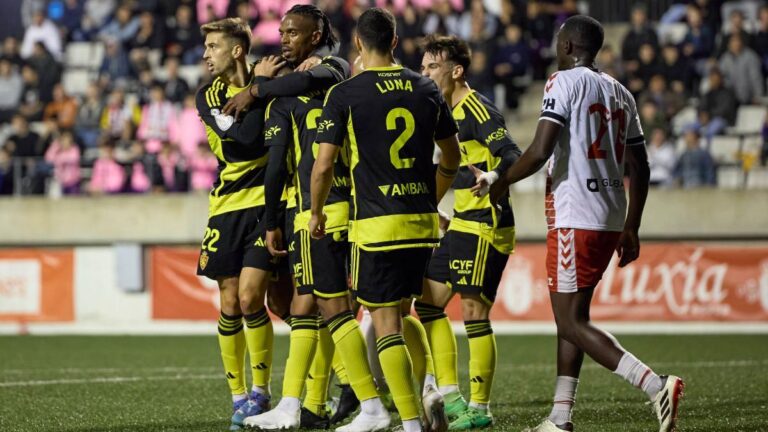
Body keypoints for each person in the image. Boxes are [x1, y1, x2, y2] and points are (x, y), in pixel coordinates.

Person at [485, 15, 683, 432]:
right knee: (572, 318)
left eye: (559, 42)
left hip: (576, 212)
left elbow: (540, 149)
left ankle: (655, 384)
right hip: (610, 214)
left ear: (571, 46)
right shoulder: (621, 92)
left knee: (570, 321)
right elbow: (640, 167)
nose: (556, 49)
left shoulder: (562, 83)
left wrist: (502, 182)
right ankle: (560, 417)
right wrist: (632, 226)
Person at [310, 8, 462, 432]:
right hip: (420, 226)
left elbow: (322, 167)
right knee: (406, 310)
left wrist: (317, 212)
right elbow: (452, 157)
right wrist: (430, 198)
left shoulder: (346, 94)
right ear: (395, 42)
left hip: (376, 226)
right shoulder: (426, 87)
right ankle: (430, 388)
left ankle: (410, 423)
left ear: (359, 44)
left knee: (386, 323)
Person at [238, 5, 356, 430]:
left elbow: (309, 80)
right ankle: (311, 403)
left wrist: (256, 89)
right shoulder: (286, 93)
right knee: (297, 303)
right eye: (282, 31)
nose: (284, 37)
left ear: (315, 34)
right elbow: (273, 160)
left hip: (328, 204)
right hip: (302, 206)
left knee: (332, 306)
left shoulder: (333, 69)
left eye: (292, 31)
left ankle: (358, 394)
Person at [417, 35, 520, 430]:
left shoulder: (477, 108)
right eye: (423, 67)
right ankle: (452, 396)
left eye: (432, 67)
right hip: (462, 220)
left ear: (456, 71)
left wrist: (493, 176)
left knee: (474, 312)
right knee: (426, 303)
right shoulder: (443, 111)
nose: (425, 73)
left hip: (486, 223)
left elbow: (513, 152)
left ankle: (479, 408)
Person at [194, 18, 288, 431]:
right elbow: (244, 141)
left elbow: (256, 135)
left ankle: (261, 391)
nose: (205, 54)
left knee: (252, 299)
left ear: (236, 50)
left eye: (213, 46)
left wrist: (260, 89)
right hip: (227, 207)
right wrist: (260, 91)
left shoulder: (270, 83)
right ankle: (237, 394)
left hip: (267, 206)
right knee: (229, 301)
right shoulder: (208, 96)